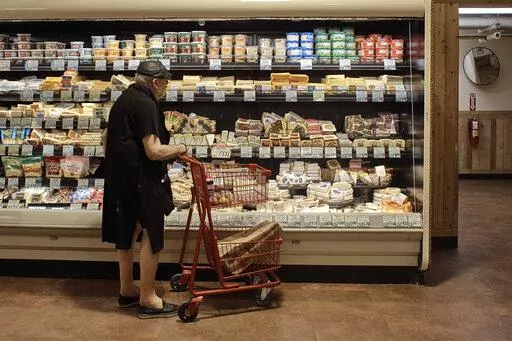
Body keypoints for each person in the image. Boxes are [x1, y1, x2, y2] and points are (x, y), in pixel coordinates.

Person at [101, 60, 187, 319]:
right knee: (151, 233)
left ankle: (127, 289)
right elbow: (153, 150)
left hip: (120, 180)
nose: (165, 87)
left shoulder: (122, 100)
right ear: (155, 81)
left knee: (127, 232)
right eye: (166, 83)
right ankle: (148, 298)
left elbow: (107, 141)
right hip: (142, 181)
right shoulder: (147, 103)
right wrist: (179, 148)